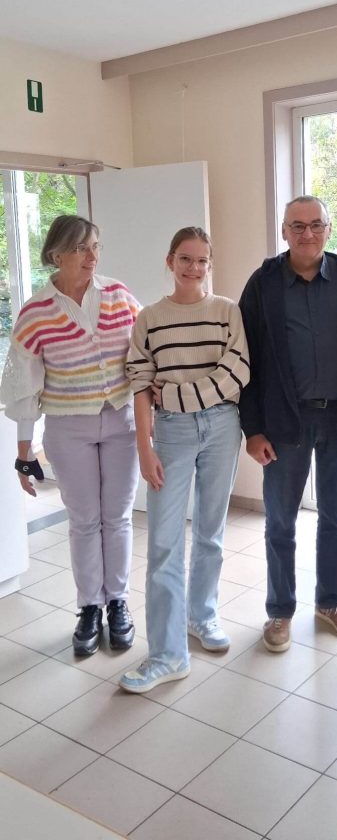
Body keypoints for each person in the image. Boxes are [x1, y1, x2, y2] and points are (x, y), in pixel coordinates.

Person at [239, 195, 337, 653]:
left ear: (328, 228)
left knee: (336, 519)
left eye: (316, 224)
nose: (307, 233)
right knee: (280, 520)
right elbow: (245, 360)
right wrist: (252, 429)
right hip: (284, 421)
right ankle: (280, 610)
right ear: (284, 231)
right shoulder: (263, 284)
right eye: (297, 226)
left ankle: (332, 603)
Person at [0, 214, 140, 657]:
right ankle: (89, 607)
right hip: (67, 426)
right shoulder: (36, 312)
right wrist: (24, 453)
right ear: (56, 254)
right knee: (84, 520)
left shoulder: (119, 296)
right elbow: (25, 387)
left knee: (117, 517)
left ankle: (118, 602)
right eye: (80, 248)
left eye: (95, 246)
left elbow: (144, 356)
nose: (91, 256)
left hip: (121, 423)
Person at [119, 226, 250, 694]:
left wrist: (174, 393)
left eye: (202, 260)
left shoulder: (227, 311)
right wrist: (144, 447)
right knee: (164, 544)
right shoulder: (149, 318)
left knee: (211, 533)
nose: (194, 268)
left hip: (222, 426)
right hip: (170, 433)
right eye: (185, 259)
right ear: (170, 260)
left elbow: (236, 373)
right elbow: (140, 384)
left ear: (210, 264)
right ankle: (167, 654)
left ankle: (201, 616)